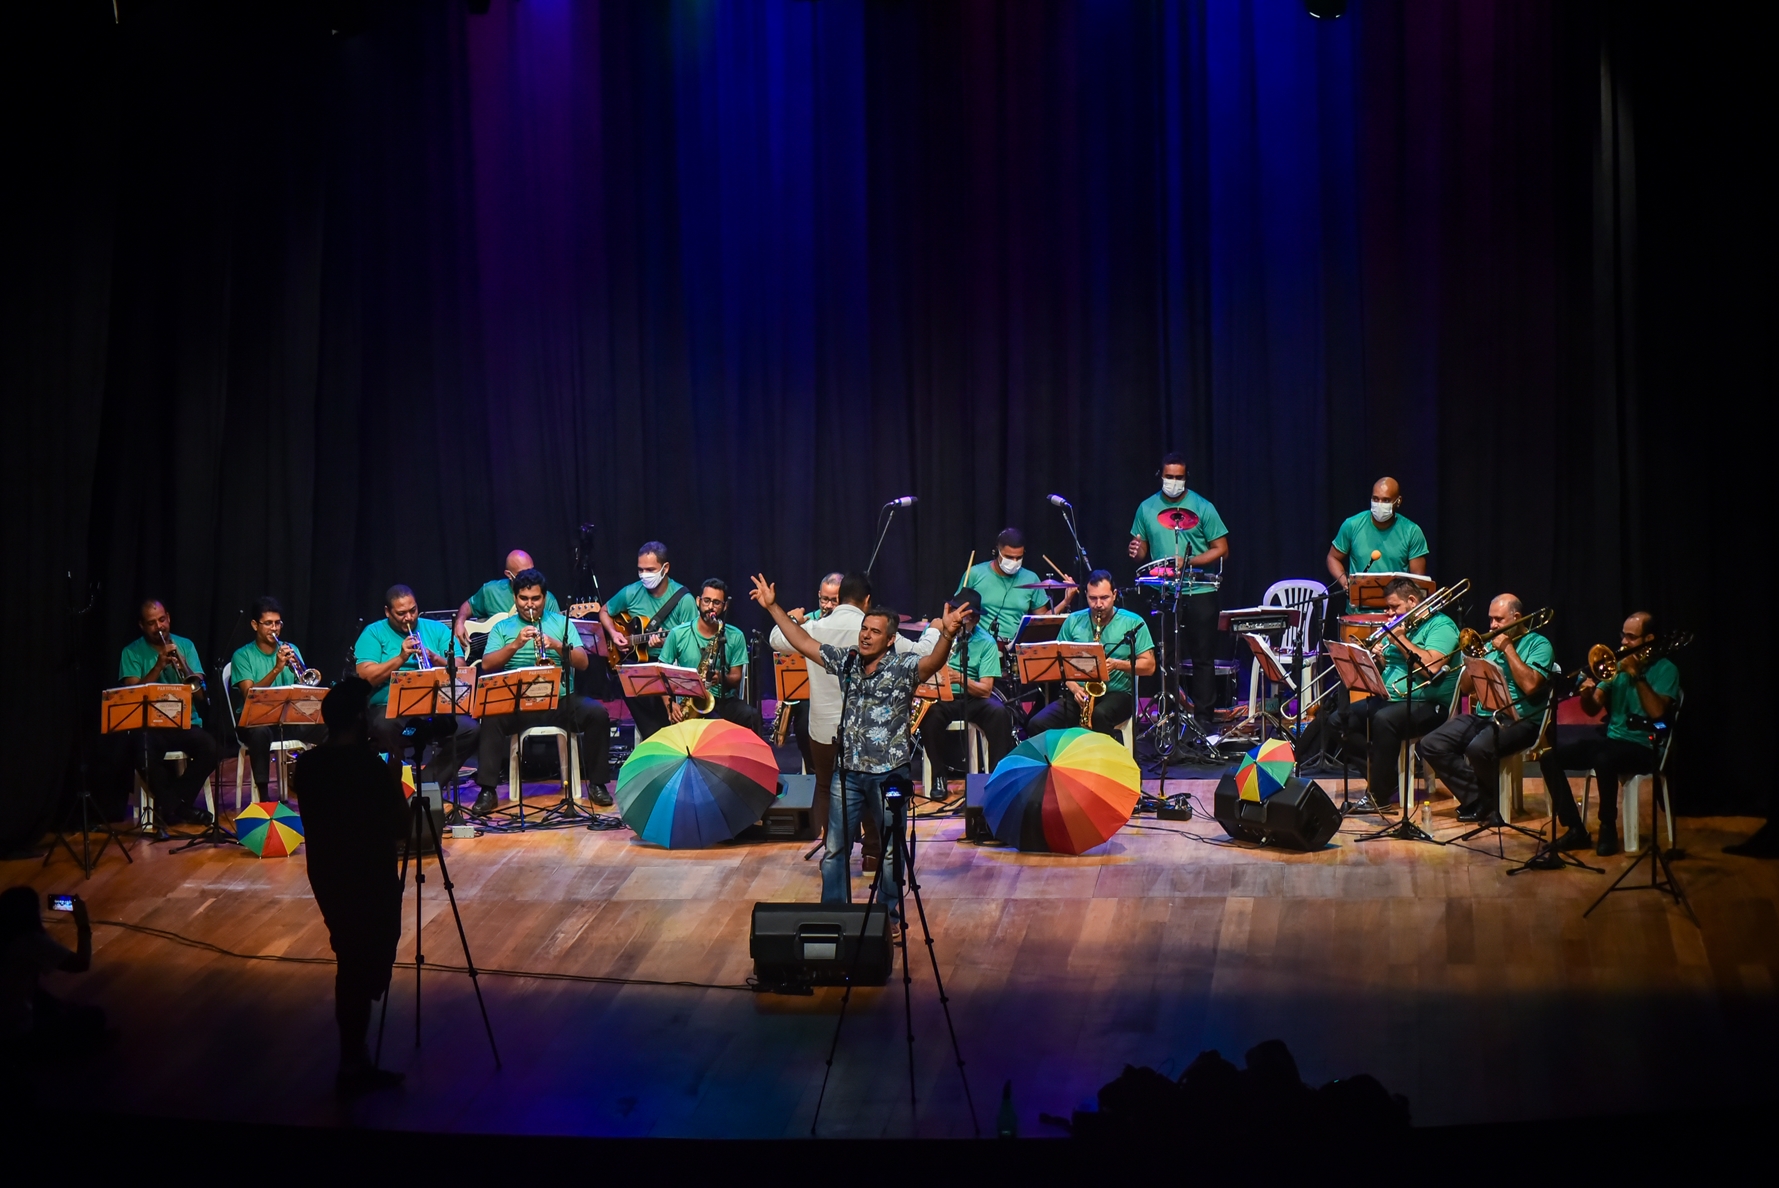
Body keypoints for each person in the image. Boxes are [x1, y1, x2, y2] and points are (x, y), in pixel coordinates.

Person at [751, 574, 961, 921]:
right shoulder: (846, 663)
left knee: (892, 850)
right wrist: (773, 607)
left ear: (890, 640)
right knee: (835, 849)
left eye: (874, 632)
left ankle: (888, 917)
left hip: (890, 776)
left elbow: (932, 662)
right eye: (864, 629)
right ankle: (836, 917)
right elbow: (803, 642)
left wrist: (947, 634)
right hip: (847, 774)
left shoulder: (903, 667)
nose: (865, 635)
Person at [292, 679, 408, 1093]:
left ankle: (353, 1057)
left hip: (327, 873)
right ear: (360, 720)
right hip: (368, 874)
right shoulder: (368, 766)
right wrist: (393, 775)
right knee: (366, 962)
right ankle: (353, 1061)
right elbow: (400, 828)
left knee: (350, 959)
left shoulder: (308, 766)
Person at [471, 569, 614, 815]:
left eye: (536, 598)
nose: (530, 605)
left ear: (545, 597)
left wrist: (557, 645)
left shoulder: (560, 623)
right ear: (515, 598)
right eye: (524, 598)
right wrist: (515, 644)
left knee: (597, 713)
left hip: (560, 700)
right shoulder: (503, 627)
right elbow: (487, 664)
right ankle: (487, 790)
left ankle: (598, 784)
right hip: (519, 703)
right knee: (491, 717)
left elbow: (583, 663)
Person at [1540, 611, 1680, 857]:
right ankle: (1575, 828)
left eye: (1631, 637)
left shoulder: (1666, 669)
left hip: (1645, 746)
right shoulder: (1618, 668)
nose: (1624, 642)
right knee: (1550, 758)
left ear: (1649, 639)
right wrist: (1586, 694)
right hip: (1613, 741)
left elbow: (1658, 713)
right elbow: (1593, 708)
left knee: (1604, 758)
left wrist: (1637, 675)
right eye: (1623, 635)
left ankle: (1607, 827)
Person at [1308, 578, 1457, 805]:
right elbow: (1392, 669)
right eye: (1387, 607)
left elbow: (1431, 669)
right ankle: (1385, 774)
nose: (1388, 613)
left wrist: (1399, 639)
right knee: (1338, 720)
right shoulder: (1405, 626)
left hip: (1429, 704)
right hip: (1392, 699)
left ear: (1412, 600)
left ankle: (1379, 796)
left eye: (1394, 607)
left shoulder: (1441, 626)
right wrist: (1376, 660)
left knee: (1384, 720)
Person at [1418, 595, 1551, 823]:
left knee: (1478, 748)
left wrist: (1508, 649)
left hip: (1521, 719)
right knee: (1431, 743)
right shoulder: (1489, 645)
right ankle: (1479, 799)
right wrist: (1472, 661)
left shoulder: (1539, 644)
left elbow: (1531, 686)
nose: (1492, 625)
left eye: (1499, 619)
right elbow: (1467, 688)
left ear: (1517, 617)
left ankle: (1487, 805)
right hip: (1485, 715)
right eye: (1491, 619)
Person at [1128, 452, 1229, 725]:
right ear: (1160, 476)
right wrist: (1136, 551)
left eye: (1179, 477)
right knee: (1167, 657)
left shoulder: (1203, 506)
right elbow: (1142, 552)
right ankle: (1169, 715)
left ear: (1186, 477)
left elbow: (1222, 549)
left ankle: (1204, 719)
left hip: (1200, 592)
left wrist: (1189, 561)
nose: (1174, 482)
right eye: (1169, 476)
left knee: (1202, 658)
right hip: (1164, 593)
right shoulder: (1146, 508)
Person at [353, 585, 479, 789]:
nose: (409, 618)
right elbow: (364, 677)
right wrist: (401, 658)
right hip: (391, 711)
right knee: (383, 727)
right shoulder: (374, 632)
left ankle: (426, 785)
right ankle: (395, 785)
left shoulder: (437, 629)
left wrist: (435, 658)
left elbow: (461, 667)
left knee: (470, 730)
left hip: (433, 710)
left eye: (413, 610)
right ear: (388, 612)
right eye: (401, 613)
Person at [117, 598, 221, 827]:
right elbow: (132, 695)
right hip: (150, 726)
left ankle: (170, 804)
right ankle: (181, 809)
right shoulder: (131, 652)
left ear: (169, 618)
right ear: (142, 626)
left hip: (185, 722)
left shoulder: (185, 645)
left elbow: (200, 694)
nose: (159, 627)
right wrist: (159, 666)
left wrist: (183, 665)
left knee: (212, 748)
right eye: (152, 623)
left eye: (162, 620)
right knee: (141, 753)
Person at [1024, 571, 1157, 740]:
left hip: (1118, 693)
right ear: (1086, 595)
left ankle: (1103, 757)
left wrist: (1117, 664)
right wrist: (1074, 689)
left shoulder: (1133, 622)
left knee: (1099, 715)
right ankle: (1059, 757)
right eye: (1093, 598)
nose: (1098, 604)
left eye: (1104, 598)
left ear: (1114, 595)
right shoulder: (1073, 620)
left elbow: (1149, 666)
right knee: (1037, 723)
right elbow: (1060, 665)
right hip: (1080, 694)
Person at [229, 596, 327, 800]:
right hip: (254, 721)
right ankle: (264, 797)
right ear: (255, 625)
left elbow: (304, 688)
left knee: (327, 726)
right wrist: (277, 669)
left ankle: (322, 783)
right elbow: (248, 694)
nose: (274, 629)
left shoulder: (292, 649)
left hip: (286, 719)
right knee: (260, 733)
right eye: (268, 623)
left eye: (277, 623)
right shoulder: (242, 655)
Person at [917, 588, 1015, 792]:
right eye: (956, 612)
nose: (959, 619)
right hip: (941, 697)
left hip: (972, 697)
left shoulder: (986, 642)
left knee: (999, 713)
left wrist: (961, 680)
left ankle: (997, 778)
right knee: (929, 716)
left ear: (976, 620)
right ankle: (938, 777)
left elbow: (986, 689)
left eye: (966, 616)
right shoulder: (935, 633)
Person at [600, 542, 699, 740]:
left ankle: (657, 737)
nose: (644, 575)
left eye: (650, 570)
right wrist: (614, 633)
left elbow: (692, 642)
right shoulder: (631, 592)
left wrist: (668, 646)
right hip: (640, 663)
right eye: (641, 570)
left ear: (665, 568)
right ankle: (656, 736)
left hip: (671, 665)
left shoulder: (683, 599)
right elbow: (604, 611)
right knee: (623, 676)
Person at [1, 887, 103, 1057]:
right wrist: (83, 923)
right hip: (15, 1031)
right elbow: (81, 964)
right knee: (94, 1017)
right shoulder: (30, 942)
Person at [656, 579, 764, 733]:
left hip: (725, 700)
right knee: (715, 725)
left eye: (716, 602)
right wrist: (670, 705)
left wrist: (721, 678)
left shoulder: (735, 635)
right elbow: (660, 673)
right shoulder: (678, 633)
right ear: (698, 601)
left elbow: (736, 677)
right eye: (706, 601)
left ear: (725, 606)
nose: (710, 607)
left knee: (753, 717)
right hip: (691, 700)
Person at [961, 528, 1075, 643]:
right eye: (1009, 557)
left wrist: (1066, 601)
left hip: (1014, 647)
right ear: (996, 552)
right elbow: (957, 608)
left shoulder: (1031, 578)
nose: (1014, 561)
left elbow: (1043, 619)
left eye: (1019, 558)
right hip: (980, 644)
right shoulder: (975, 573)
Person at [779, 572, 843, 772]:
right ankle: (814, 770)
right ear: (818, 595)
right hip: (810, 692)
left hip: (840, 691)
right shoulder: (808, 622)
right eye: (824, 599)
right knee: (802, 722)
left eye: (834, 601)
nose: (828, 605)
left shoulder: (847, 624)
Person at [1326, 477, 1430, 590]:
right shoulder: (1352, 525)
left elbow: (1418, 580)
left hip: (1396, 600)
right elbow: (1333, 558)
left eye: (1386, 500)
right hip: (1358, 600)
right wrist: (1345, 582)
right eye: (1375, 499)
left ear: (1398, 501)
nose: (1379, 504)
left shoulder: (1412, 532)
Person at [453, 549, 561, 649]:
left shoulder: (548, 598)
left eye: (531, 570)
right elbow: (468, 606)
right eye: (522, 573)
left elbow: (558, 631)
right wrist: (459, 622)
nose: (528, 576)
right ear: (509, 574)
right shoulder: (491, 591)